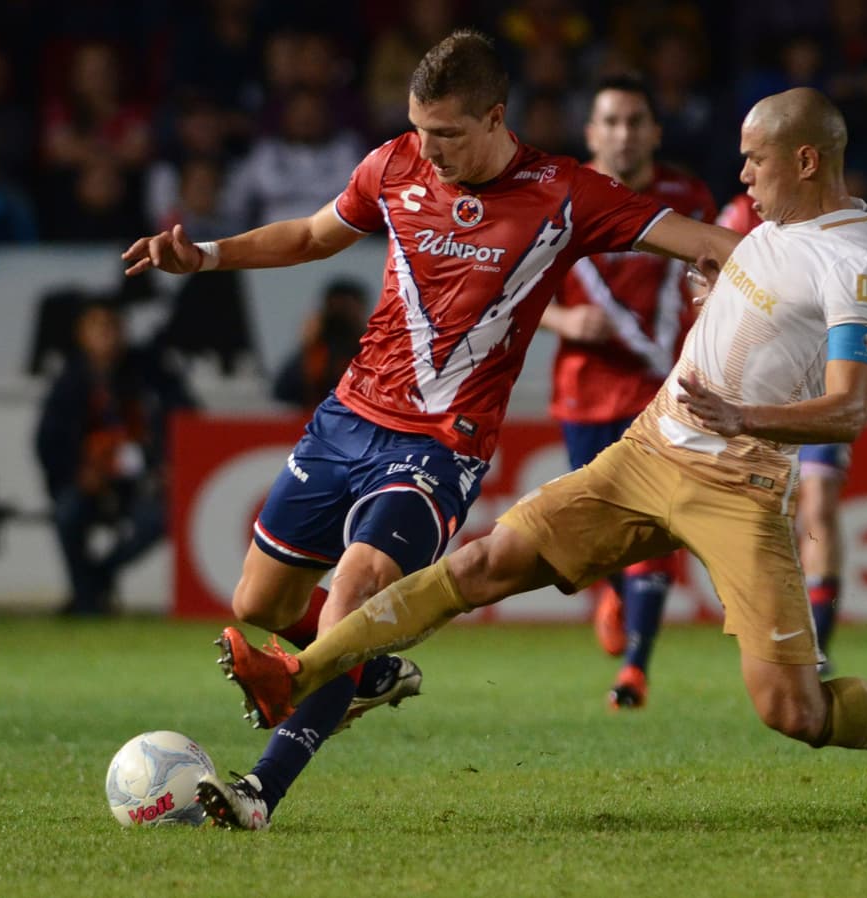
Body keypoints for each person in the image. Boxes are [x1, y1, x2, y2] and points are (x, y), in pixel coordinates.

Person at [224, 87, 867, 828]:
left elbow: (849, 409)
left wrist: (742, 414)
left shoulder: (853, 264)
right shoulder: (771, 224)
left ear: (808, 160)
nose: (743, 175)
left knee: (793, 710)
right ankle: (301, 670)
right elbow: (749, 284)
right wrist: (717, 292)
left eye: (755, 161)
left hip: (740, 486)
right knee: (481, 564)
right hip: (649, 451)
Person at [121, 29, 736, 830]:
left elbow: (705, 240)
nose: (429, 149)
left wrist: (735, 272)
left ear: (495, 117)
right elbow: (311, 236)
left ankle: (258, 792)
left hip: (442, 442)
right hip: (349, 416)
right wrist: (203, 256)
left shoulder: (565, 192)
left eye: (446, 134)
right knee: (261, 600)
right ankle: (362, 667)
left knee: (353, 590)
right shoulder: (393, 165)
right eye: (419, 129)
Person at [540, 74, 715, 709]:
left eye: (636, 120)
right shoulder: (557, 195)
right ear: (591, 132)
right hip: (585, 390)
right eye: (611, 121)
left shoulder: (686, 195)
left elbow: (712, 274)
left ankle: (636, 668)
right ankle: (615, 593)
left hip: (666, 392)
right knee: (591, 536)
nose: (624, 133)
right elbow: (516, 291)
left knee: (656, 524)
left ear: (655, 131)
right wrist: (564, 320)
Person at [719, 191, 849, 671]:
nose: (750, 172)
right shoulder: (734, 218)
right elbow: (705, 304)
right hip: (755, 389)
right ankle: (775, 638)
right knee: (761, 517)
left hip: (817, 385)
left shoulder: (838, 222)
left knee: (818, 505)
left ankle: (818, 648)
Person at [35, 298, 196, 615]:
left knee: (163, 517)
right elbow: (47, 440)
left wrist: (169, 464)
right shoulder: (69, 381)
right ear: (81, 334)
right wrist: (77, 472)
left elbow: (185, 415)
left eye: (113, 326)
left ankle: (96, 579)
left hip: (143, 479)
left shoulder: (150, 371)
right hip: (88, 479)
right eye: (98, 327)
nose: (107, 335)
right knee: (67, 514)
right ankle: (86, 601)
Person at [270, 278, 369, 411]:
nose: (340, 319)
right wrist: (307, 346)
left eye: (347, 309)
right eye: (334, 308)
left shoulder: (372, 357)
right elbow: (283, 397)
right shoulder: (311, 357)